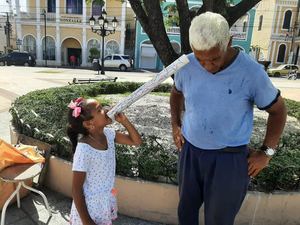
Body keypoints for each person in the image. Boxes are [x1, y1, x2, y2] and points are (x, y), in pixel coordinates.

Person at [170, 12, 287, 225]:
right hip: (191, 153)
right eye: (200, 58)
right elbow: (176, 92)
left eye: (214, 58)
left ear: (229, 41)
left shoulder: (251, 72)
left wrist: (267, 153)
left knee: (219, 220)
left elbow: (278, 111)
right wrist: (175, 125)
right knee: (186, 214)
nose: (207, 66)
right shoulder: (185, 64)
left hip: (229, 159)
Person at [67, 97, 142, 225]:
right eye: (100, 110)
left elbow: (136, 142)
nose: (107, 110)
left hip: (105, 203)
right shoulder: (84, 149)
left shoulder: (108, 134)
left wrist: (124, 121)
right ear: (88, 124)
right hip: (89, 209)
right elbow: (76, 189)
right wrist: (87, 222)